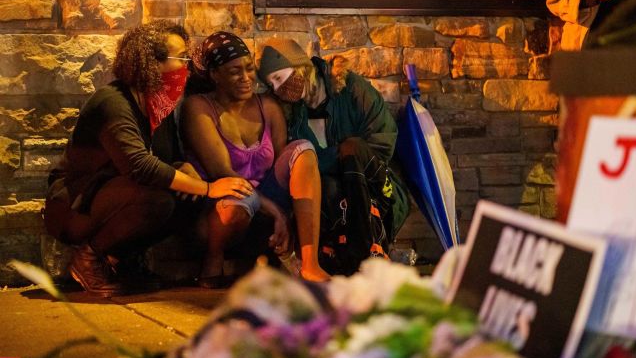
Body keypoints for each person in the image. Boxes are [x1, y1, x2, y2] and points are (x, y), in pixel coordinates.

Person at [43, 21, 251, 297]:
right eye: (180, 59)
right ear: (151, 63)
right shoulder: (112, 102)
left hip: (112, 197)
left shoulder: (157, 106)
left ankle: (119, 260)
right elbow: (139, 166)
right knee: (159, 198)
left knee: (185, 198)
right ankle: (87, 258)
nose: (186, 68)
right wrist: (210, 188)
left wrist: (185, 167)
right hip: (74, 205)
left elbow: (165, 160)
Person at [180, 31, 331, 286]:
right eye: (234, 71)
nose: (246, 78)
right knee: (241, 196)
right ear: (215, 75)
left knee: (303, 149)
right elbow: (223, 174)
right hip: (222, 209)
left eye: (249, 68)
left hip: (265, 202)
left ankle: (310, 263)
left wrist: (285, 213)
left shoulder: (268, 107)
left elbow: (284, 165)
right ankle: (213, 259)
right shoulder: (198, 108)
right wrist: (277, 213)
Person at [257, 38, 409, 275]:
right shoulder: (290, 114)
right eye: (271, 84)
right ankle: (352, 256)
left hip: (374, 186)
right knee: (326, 184)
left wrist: (337, 158)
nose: (277, 88)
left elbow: (383, 142)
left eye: (278, 78)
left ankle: (364, 250)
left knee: (352, 147)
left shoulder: (351, 88)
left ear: (298, 65)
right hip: (331, 197)